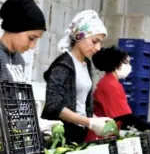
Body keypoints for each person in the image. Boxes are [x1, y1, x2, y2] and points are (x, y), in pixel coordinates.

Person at [0, 0, 62, 134]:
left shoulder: (19, 59)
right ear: (16, 27)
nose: (33, 46)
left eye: (36, 40)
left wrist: (34, 124)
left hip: (12, 136)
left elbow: (20, 103)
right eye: (31, 38)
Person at [41, 10, 113, 143]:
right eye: (94, 41)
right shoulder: (63, 65)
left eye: (100, 43)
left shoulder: (86, 64)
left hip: (78, 134)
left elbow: (81, 104)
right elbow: (54, 105)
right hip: (59, 136)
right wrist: (89, 122)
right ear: (79, 36)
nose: (98, 48)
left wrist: (95, 120)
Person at [92, 46, 150, 131]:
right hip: (102, 134)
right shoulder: (110, 85)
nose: (129, 66)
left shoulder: (110, 82)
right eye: (126, 62)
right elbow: (124, 116)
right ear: (117, 64)